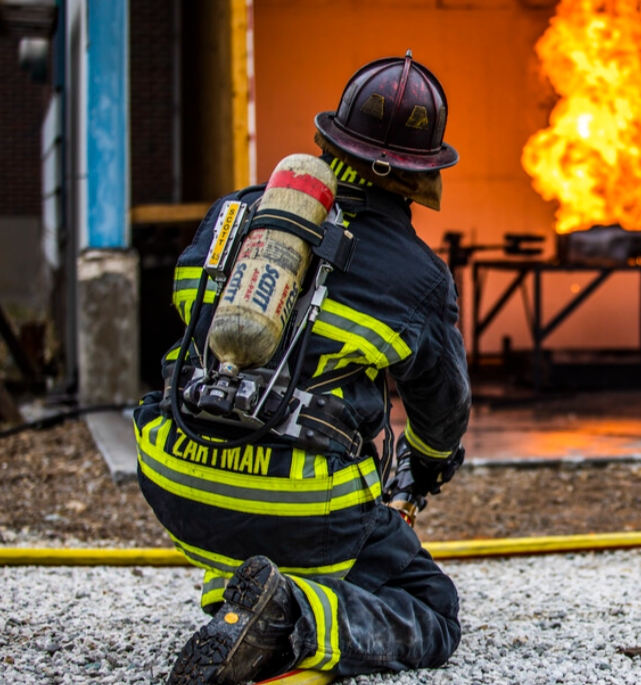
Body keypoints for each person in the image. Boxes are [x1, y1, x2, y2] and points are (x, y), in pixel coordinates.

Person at [133, 52, 471, 685]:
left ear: (328, 140)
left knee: (258, 508)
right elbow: (442, 415)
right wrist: (422, 470)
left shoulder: (235, 214)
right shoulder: (419, 276)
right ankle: (289, 616)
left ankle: (242, 595)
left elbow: (185, 321)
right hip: (301, 511)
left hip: (175, 481)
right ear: (421, 175)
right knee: (433, 609)